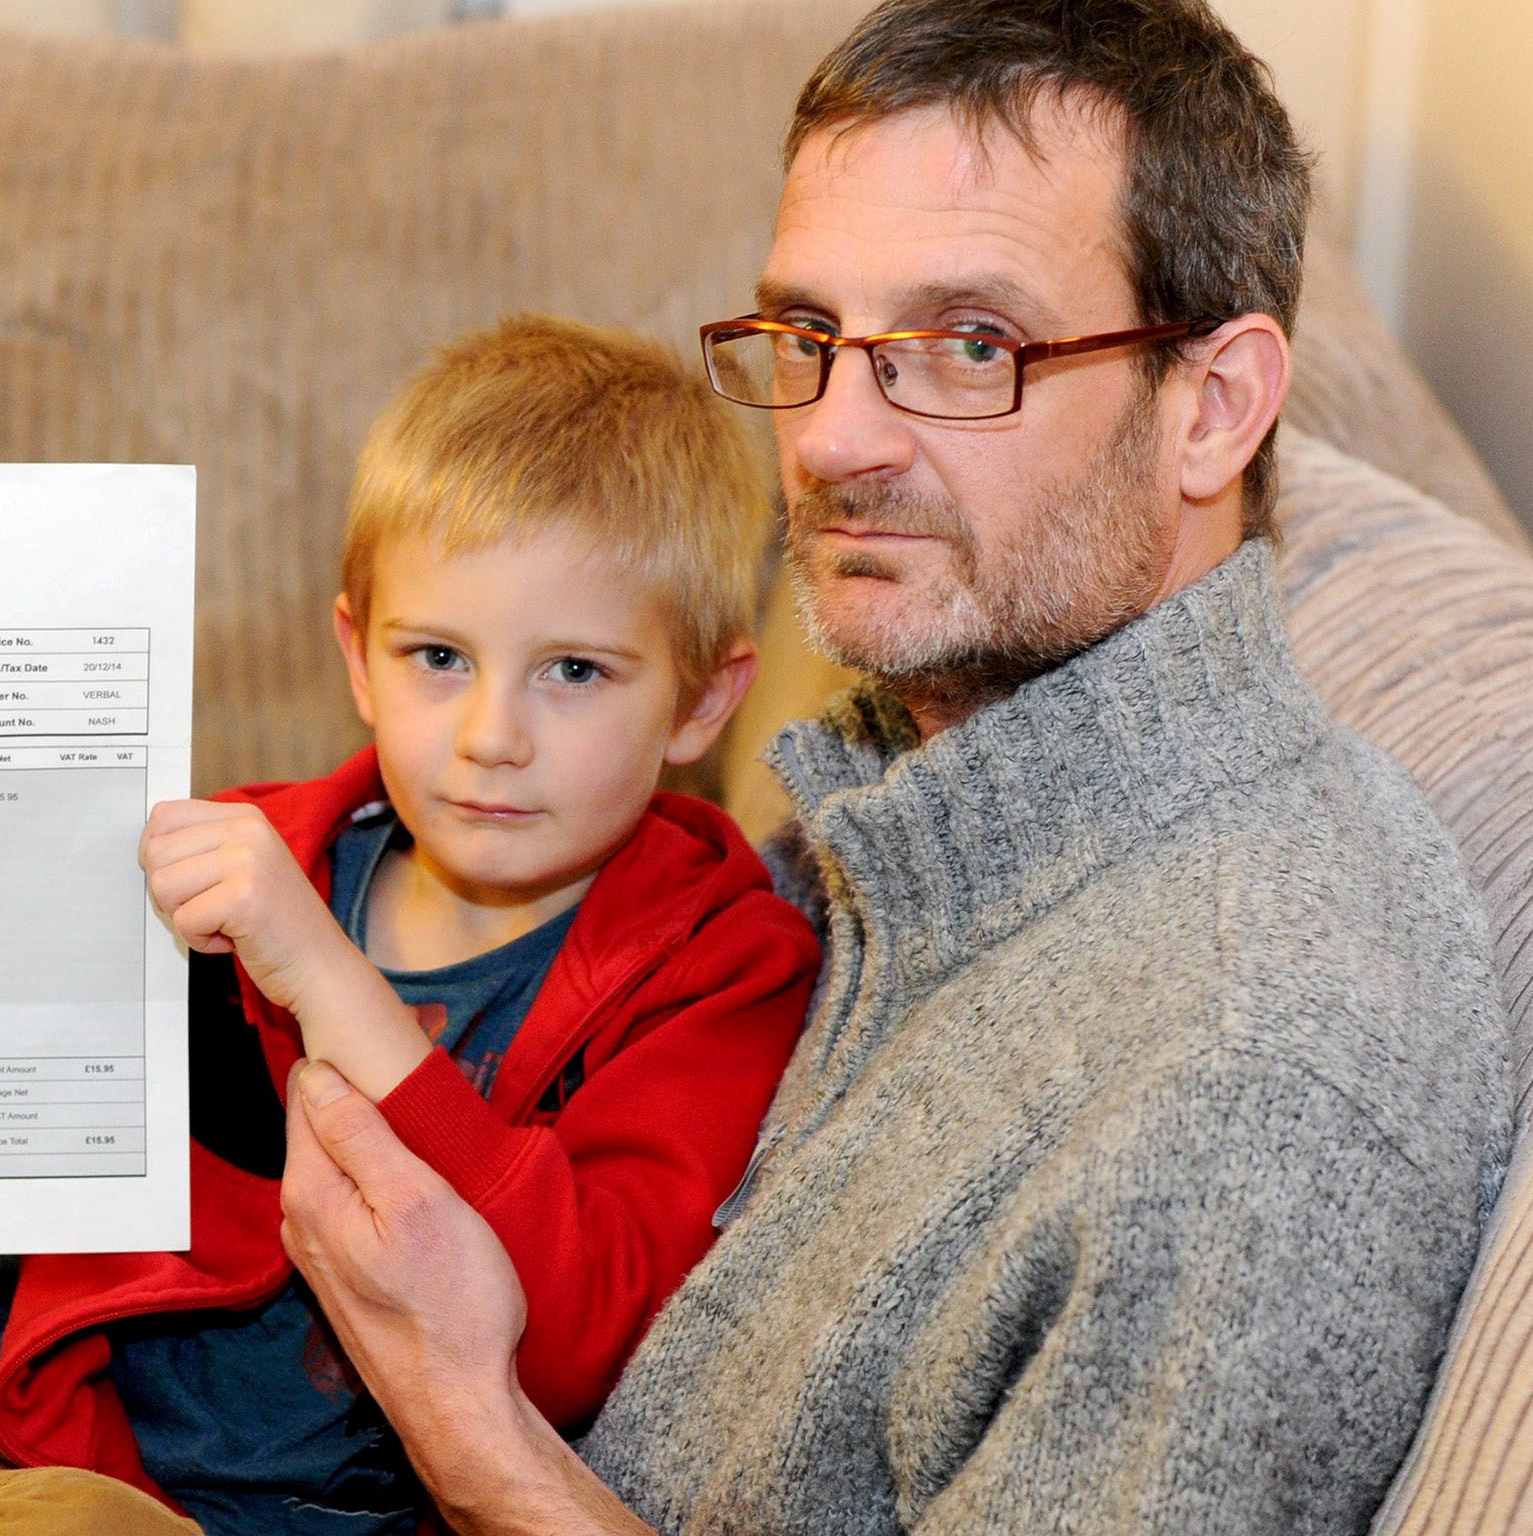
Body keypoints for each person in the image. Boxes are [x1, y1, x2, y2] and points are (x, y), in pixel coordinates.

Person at [264, 2, 1516, 1533]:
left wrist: (471, 1428)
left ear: (1213, 407)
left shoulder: (1241, 1084)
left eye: (966, 344)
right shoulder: (916, 813)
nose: (833, 438)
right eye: (811, 337)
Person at [0, 316, 817, 1536]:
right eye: (439, 659)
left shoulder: (720, 967)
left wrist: (327, 982)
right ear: (358, 657)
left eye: (574, 671)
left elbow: (574, 1337)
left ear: (703, 704)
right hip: (24, 1430)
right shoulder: (247, 847)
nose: (493, 736)